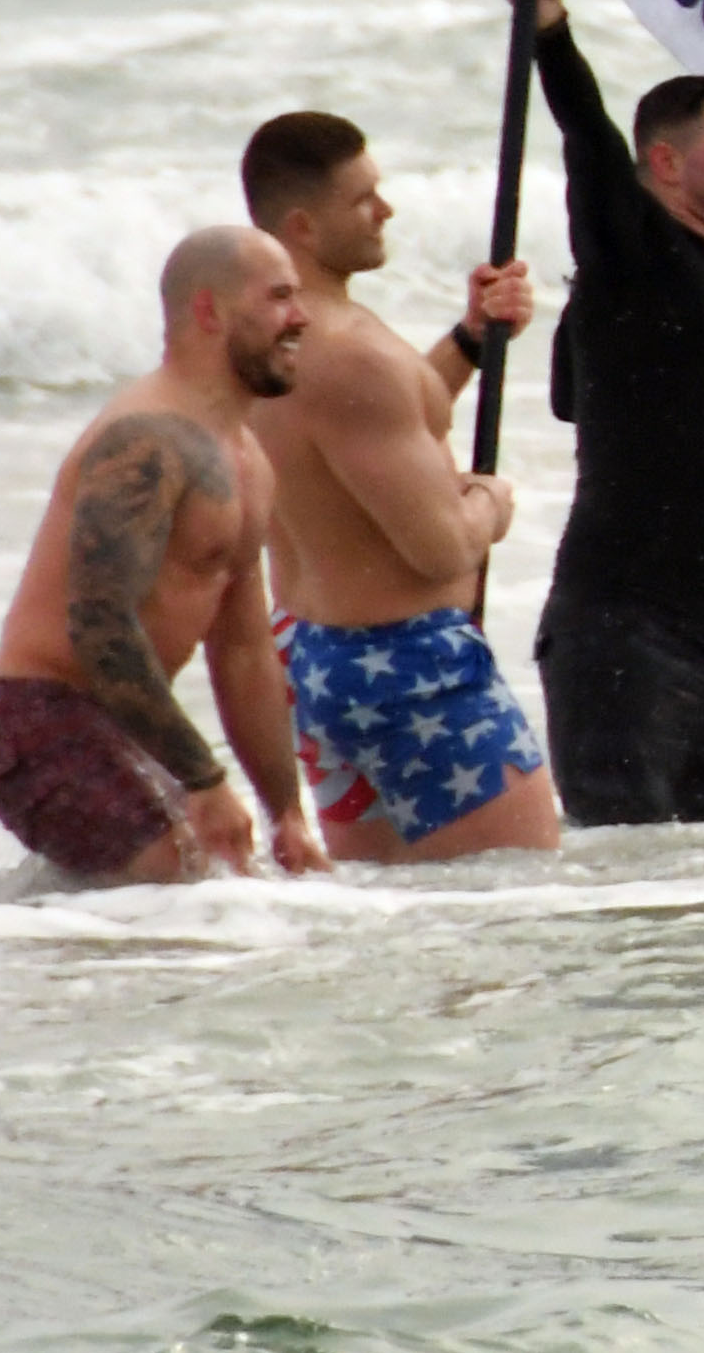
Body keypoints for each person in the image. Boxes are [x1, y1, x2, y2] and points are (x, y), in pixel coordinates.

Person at [499, 0, 704, 825]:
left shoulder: (696, 292)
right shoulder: (640, 257)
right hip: (623, 635)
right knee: (630, 896)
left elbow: (572, 399)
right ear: (664, 165)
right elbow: (589, 144)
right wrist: (550, 30)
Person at [241, 110, 557, 858]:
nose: (386, 210)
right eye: (363, 199)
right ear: (303, 227)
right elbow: (439, 550)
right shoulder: (353, 355)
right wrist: (489, 504)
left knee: (391, 927)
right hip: (412, 672)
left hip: (316, 660)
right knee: (517, 903)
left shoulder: (269, 342)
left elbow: (390, 430)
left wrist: (472, 338)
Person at [0, 229, 327, 885]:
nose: (301, 317)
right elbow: (101, 626)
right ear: (209, 311)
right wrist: (204, 778)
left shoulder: (246, 460)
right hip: (37, 719)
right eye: (279, 298)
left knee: (226, 883)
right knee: (180, 885)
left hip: (120, 726)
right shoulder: (145, 441)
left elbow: (243, 651)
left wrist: (287, 814)